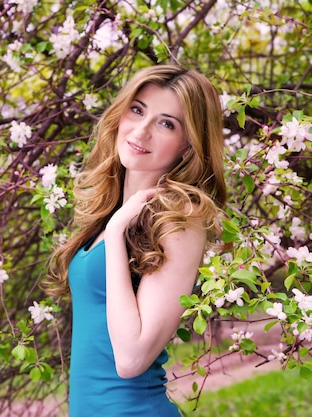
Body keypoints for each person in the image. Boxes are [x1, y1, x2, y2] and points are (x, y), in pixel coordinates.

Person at [45, 64, 227, 416]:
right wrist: (113, 226)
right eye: (138, 110)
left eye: (166, 123)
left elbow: (131, 358)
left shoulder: (179, 221)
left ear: (189, 146)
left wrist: (116, 235)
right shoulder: (114, 210)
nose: (141, 131)